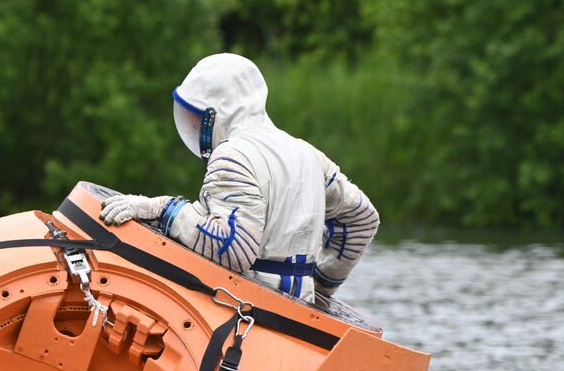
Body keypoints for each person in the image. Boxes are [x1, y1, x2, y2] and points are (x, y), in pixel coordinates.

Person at [99, 53, 378, 301]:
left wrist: (162, 209)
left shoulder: (232, 156)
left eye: (194, 117)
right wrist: (320, 289)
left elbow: (233, 248)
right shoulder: (308, 154)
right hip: (298, 320)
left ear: (213, 116)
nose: (191, 126)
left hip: (247, 315)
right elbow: (362, 219)